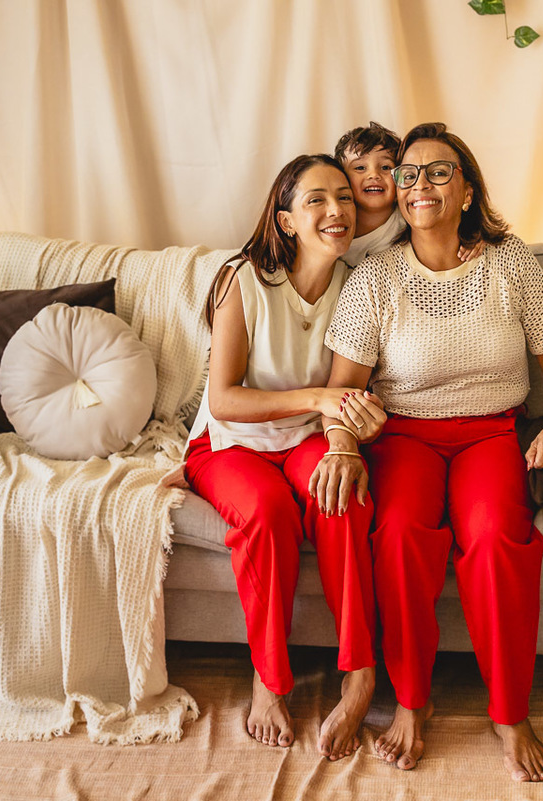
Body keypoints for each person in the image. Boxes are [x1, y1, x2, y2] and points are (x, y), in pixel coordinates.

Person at [315, 123, 543, 783]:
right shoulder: (375, 277)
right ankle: (412, 699)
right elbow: (341, 390)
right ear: (399, 196)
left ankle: (509, 711)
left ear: (466, 189)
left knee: (495, 538)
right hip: (404, 433)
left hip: (490, 431)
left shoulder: (508, 259)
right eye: (409, 175)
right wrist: (343, 444)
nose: (420, 184)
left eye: (438, 172)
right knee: (401, 532)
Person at [184, 154, 386, 760]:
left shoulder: (361, 283)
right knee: (268, 512)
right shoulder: (241, 280)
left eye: (346, 199)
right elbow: (224, 400)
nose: (337, 211)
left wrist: (350, 422)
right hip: (230, 443)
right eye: (317, 201)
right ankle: (269, 678)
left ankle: (359, 672)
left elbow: (349, 396)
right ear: (286, 220)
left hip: (308, 439)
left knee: (344, 499)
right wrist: (322, 396)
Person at [334, 121, 483, 267]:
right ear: (342, 178)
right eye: (360, 168)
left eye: (386, 167)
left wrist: (475, 236)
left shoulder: (410, 218)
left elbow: (449, 222)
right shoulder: (335, 221)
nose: (374, 175)